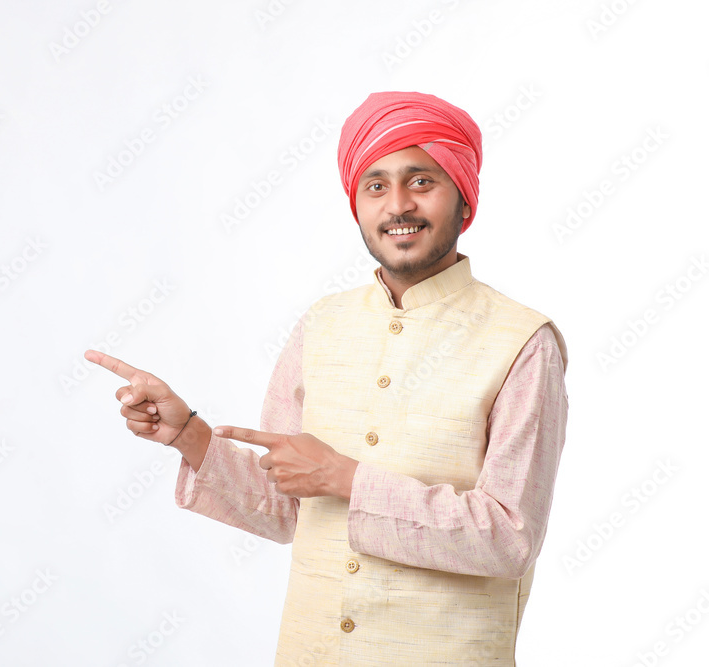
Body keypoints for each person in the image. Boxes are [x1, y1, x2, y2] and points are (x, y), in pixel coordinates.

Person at [85, 90, 569, 665]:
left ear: (464, 198)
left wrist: (347, 478)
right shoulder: (322, 325)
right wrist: (188, 434)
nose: (398, 206)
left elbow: (510, 538)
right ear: (357, 205)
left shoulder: (522, 342)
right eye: (376, 186)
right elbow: (283, 506)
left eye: (421, 181)